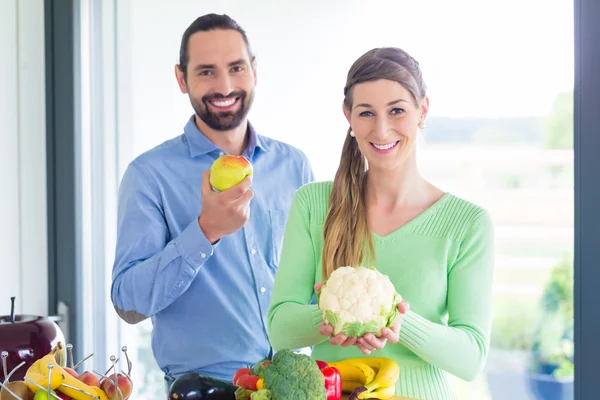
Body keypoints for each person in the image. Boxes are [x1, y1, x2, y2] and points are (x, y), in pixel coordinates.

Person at [267, 47, 495, 400]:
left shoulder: (467, 224)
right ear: (349, 116)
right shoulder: (313, 205)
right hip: (331, 392)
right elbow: (280, 330)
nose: (382, 129)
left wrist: (392, 320)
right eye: (366, 113)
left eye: (397, 110)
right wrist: (333, 318)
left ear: (423, 110)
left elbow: (471, 357)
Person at [110, 13, 314, 392]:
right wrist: (205, 232)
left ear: (254, 70)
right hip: (202, 389)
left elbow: (315, 275)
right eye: (206, 72)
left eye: (236, 67)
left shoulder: (294, 165)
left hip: (294, 385)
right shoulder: (149, 175)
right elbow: (128, 305)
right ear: (181, 78)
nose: (224, 86)